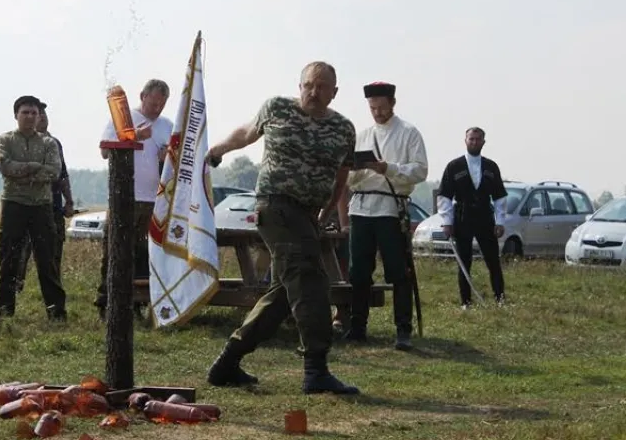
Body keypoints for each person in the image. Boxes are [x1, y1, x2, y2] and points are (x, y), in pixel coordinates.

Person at [204, 61, 360, 396]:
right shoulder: (277, 108)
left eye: (321, 87)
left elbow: (341, 177)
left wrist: (327, 214)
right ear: (299, 85)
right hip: (275, 206)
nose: (313, 92)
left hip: (307, 214)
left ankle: (227, 362)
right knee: (311, 280)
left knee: (282, 296)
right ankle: (315, 370)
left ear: (334, 92)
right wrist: (216, 151)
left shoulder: (344, 129)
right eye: (308, 85)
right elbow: (246, 133)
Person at [341, 81, 428, 351]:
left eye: (381, 107)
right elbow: (349, 178)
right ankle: (357, 327)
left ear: (392, 103)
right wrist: (354, 168)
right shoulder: (363, 135)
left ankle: (403, 330)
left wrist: (387, 168)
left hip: (391, 210)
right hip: (361, 209)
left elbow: (420, 171)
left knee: (398, 272)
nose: (377, 112)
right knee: (358, 272)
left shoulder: (409, 133)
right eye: (372, 108)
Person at [95, 79, 172, 320]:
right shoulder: (123, 119)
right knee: (116, 250)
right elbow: (106, 151)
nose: (157, 109)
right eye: (153, 102)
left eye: (162, 104)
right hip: (125, 197)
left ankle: (137, 304)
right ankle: (106, 303)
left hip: (155, 199)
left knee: (144, 253)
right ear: (142, 96)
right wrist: (135, 136)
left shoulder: (167, 125)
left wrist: (167, 156)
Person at [0, 95, 67, 321]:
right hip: (14, 204)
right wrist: (35, 168)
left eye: (34, 113)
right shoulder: (4, 140)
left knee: (47, 260)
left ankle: (56, 313)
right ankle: (4, 312)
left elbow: (54, 172)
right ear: (16, 115)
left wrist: (24, 173)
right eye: (25, 112)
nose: (30, 117)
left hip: (41, 207)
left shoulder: (48, 143)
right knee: (9, 259)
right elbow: (5, 166)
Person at [436, 127, 508, 309]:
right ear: (465, 140)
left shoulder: (491, 167)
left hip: (485, 216)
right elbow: (444, 196)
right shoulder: (454, 167)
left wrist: (500, 222)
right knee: (464, 261)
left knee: (493, 260)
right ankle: (466, 302)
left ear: (483, 142)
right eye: (471, 139)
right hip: (463, 216)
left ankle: (500, 298)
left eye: (478, 139)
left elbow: (500, 196)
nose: (474, 142)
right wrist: (447, 222)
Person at [16, 101, 74, 294]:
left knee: (53, 252)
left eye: (43, 114)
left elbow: (63, 174)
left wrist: (69, 201)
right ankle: (16, 288)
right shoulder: (18, 142)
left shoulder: (54, 143)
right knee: (20, 252)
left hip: (53, 206)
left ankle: (53, 292)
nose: (42, 118)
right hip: (26, 205)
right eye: (37, 114)